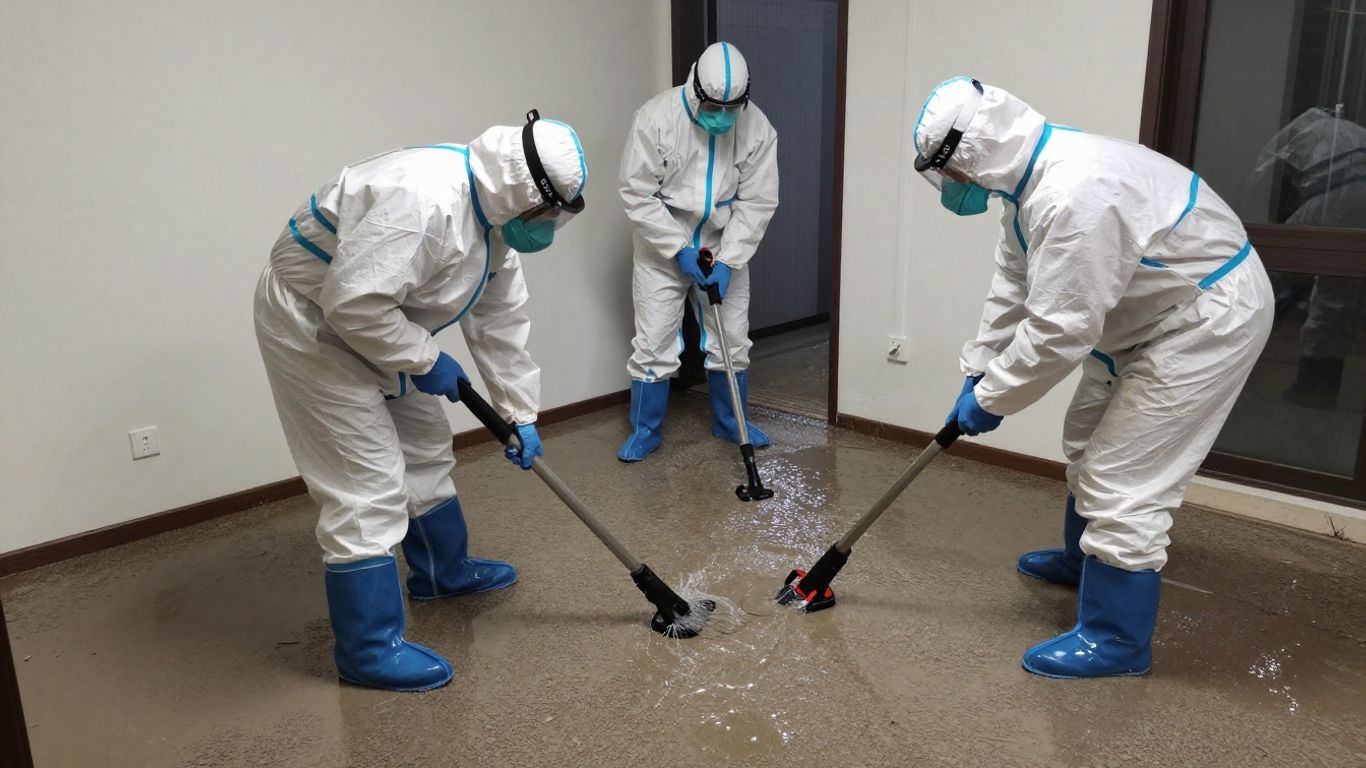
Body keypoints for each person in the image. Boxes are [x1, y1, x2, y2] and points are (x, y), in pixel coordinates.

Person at [915, 78, 1273, 678]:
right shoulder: (1029, 190)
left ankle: (1115, 641)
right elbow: (1013, 285)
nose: (950, 185)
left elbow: (1059, 331)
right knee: (1083, 437)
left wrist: (994, 398)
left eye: (947, 171)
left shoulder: (1076, 192)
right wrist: (977, 368)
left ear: (972, 154)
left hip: (1203, 318)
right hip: (1143, 316)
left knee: (1123, 475)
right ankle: (1083, 561)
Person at [254, 111, 587, 692]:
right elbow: (352, 305)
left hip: (385, 324)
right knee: (367, 479)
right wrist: (428, 359)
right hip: (314, 325)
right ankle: (367, 650)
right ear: (526, 194)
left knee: (427, 444)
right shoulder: (427, 203)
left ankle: (442, 572)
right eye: (548, 213)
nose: (548, 227)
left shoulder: (493, 222)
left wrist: (520, 414)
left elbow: (501, 320)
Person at [617, 41, 780, 462]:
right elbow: (637, 193)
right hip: (663, 242)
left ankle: (731, 423)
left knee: (731, 339)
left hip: (723, 242)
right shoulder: (656, 118)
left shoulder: (757, 128)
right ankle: (645, 430)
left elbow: (758, 201)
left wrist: (728, 259)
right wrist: (676, 248)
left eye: (733, 108)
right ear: (695, 90)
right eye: (714, 107)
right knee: (654, 341)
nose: (723, 117)